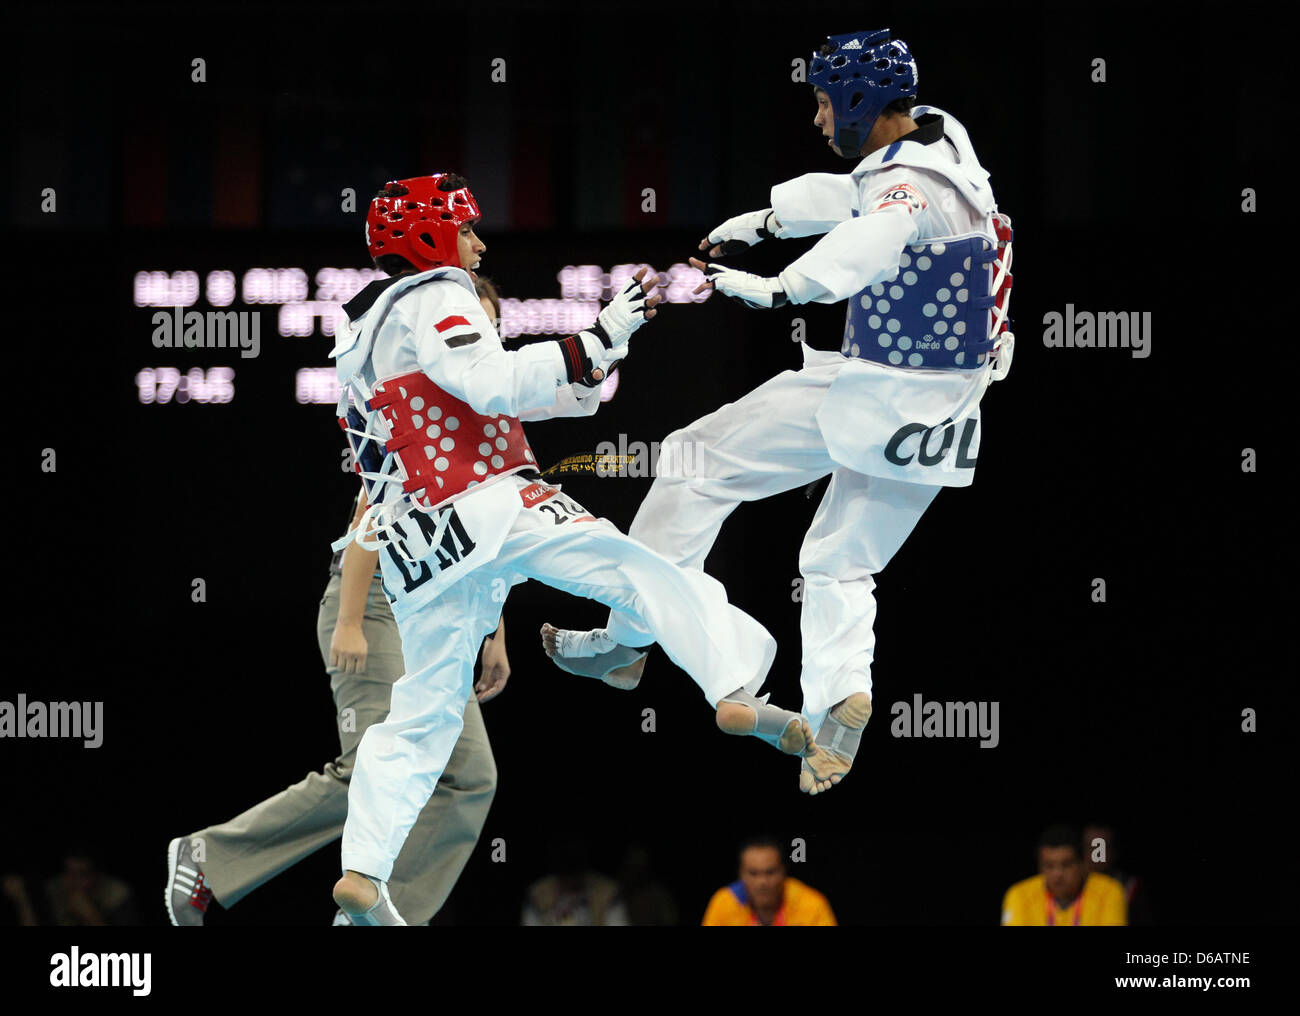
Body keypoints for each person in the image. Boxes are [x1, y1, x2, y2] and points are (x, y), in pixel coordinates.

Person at [329, 173, 835, 924]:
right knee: (639, 572)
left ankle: (363, 872)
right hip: (488, 502)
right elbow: (494, 380)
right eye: (467, 230)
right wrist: (595, 337)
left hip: (420, 547)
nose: (480, 244)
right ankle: (731, 689)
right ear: (430, 238)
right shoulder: (434, 293)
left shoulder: (359, 332)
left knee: (424, 711)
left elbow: (513, 393)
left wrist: (607, 340)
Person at [543, 27, 1015, 795]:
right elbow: (860, 194)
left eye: (826, 103)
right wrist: (764, 220)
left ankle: (628, 639)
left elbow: (877, 228)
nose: (820, 119)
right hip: (950, 408)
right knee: (837, 561)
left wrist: (777, 287)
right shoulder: (945, 145)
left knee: (693, 464)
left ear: (861, 101)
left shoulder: (909, 191)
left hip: (874, 393)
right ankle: (838, 706)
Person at [164, 489, 505, 927]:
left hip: (445, 618)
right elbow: (371, 514)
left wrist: (495, 633)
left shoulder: (495, 442)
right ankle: (208, 858)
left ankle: (373, 914)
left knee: (469, 776)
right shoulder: (419, 423)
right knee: (370, 768)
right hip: (378, 603)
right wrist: (350, 618)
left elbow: (490, 536)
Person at [1001, 825, 1127, 926]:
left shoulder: (1109, 891)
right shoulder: (1020, 894)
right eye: (1049, 865)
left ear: (1083, 864)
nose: (1058, 874)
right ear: (1040, 866)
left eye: (1066, 864)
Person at [702, 836, 836, 926]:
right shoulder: (724, 902)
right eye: (753, 873)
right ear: (741, 874)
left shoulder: (810, 903)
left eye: (770, 872)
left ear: (784, 872)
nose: (762, 882)